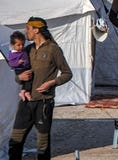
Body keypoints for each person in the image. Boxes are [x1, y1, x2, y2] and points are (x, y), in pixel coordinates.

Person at [9, 17, 72, 160]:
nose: (26, 31)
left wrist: (52, 82)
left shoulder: (53, 49)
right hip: (26, 102)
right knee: (15, 141)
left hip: (44, 102)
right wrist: (20, 78)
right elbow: (18, 74)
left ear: (36, 30)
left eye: (28, 28)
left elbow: (68, 73)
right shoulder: (27, 49)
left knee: (42, 145)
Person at [8, 31, 32, 101]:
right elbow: (11, 63)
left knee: (29, 80)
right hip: (20, 70)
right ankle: (26, 91)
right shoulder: (13, 54)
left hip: (26, 68)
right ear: (13, 45)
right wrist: (18, 62)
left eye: (23, 44)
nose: (21, 47)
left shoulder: (24, 50)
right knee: (28, 80)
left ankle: (24, 91)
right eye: (18, 45)